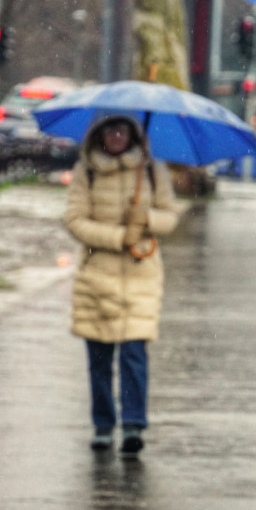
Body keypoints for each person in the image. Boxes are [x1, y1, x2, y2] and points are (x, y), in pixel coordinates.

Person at [64, 114, 180, 455]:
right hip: (96, 275)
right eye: (110, 129)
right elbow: (74, 220)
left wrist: (146, 220)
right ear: (100, 133)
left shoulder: (152, 171)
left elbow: (170, 216)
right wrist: (117, 236)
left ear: (132, 134)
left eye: (123, 129)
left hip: (140, 273)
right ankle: (103, 424)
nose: (116, 135)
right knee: (99, 357)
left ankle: (133, 425)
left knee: (133, 354)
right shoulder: (86, 171)